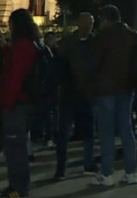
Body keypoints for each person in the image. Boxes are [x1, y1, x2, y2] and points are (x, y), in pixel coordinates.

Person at [88, 4, 137, 187]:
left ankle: (107, 173)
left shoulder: (102, 37)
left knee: (106, 133)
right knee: (127, 130)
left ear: (105, 19)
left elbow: (93, 64)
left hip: (105, 90)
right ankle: (131, 172)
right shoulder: (134, 36)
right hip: (127, 88)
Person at [0, 9, 41, 198]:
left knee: (15, 148)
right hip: (26, 102)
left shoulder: (22, 47)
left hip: (17, 104)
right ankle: (16, 186)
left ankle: (18, 189)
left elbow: (15, 77)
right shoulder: (31, 44)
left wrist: (6, 103)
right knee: (17, 147)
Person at [54, 12, 97, 181]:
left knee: (89, 132)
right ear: (79, 23)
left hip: (87, 93)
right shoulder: (67, 44)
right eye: (86, 22)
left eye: (91, 23)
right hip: (69, 93)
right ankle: (61, 167)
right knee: (63, 132)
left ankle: (88, 162)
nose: (89, 26)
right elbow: (59, 68)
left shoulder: (95, 43)